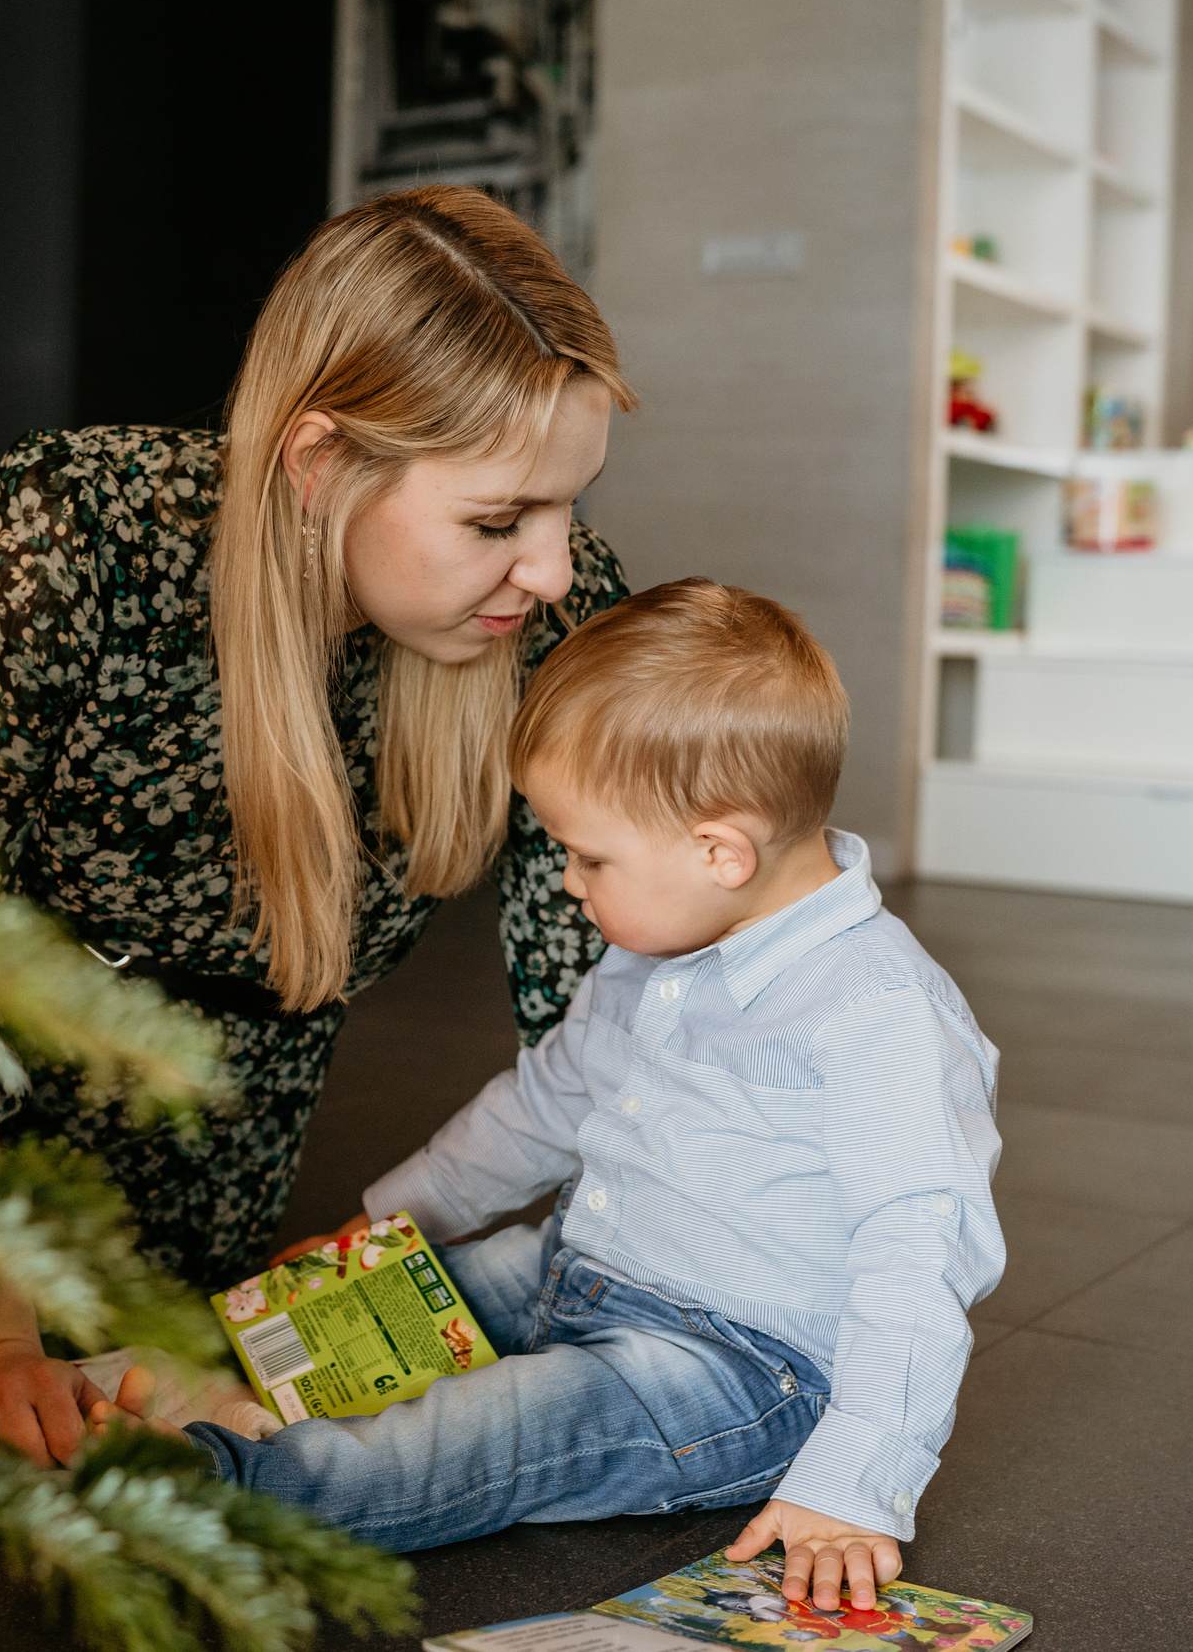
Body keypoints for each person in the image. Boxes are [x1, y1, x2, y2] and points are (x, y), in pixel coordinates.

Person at [0, 184, 638, 1464]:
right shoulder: (86, 525)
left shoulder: (555, 607)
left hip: (196, 1160)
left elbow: (608, 995)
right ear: (320, 465)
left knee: (141, 1395)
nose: (550, 569)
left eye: (569, 509)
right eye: (497, 521)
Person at [178, 580, 1005, 1605]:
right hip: (578, 1269)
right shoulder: (663, 941)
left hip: (737, 1374)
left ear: (719, 850)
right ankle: (136, 1379)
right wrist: (382, 1225)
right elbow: (547, 1102)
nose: (568, 881)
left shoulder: (877, 1011)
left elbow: (920, 1246)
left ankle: (205, 1487)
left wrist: (856, 1484)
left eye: (588, 855)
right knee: (332, 1314)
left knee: (494, 1433)